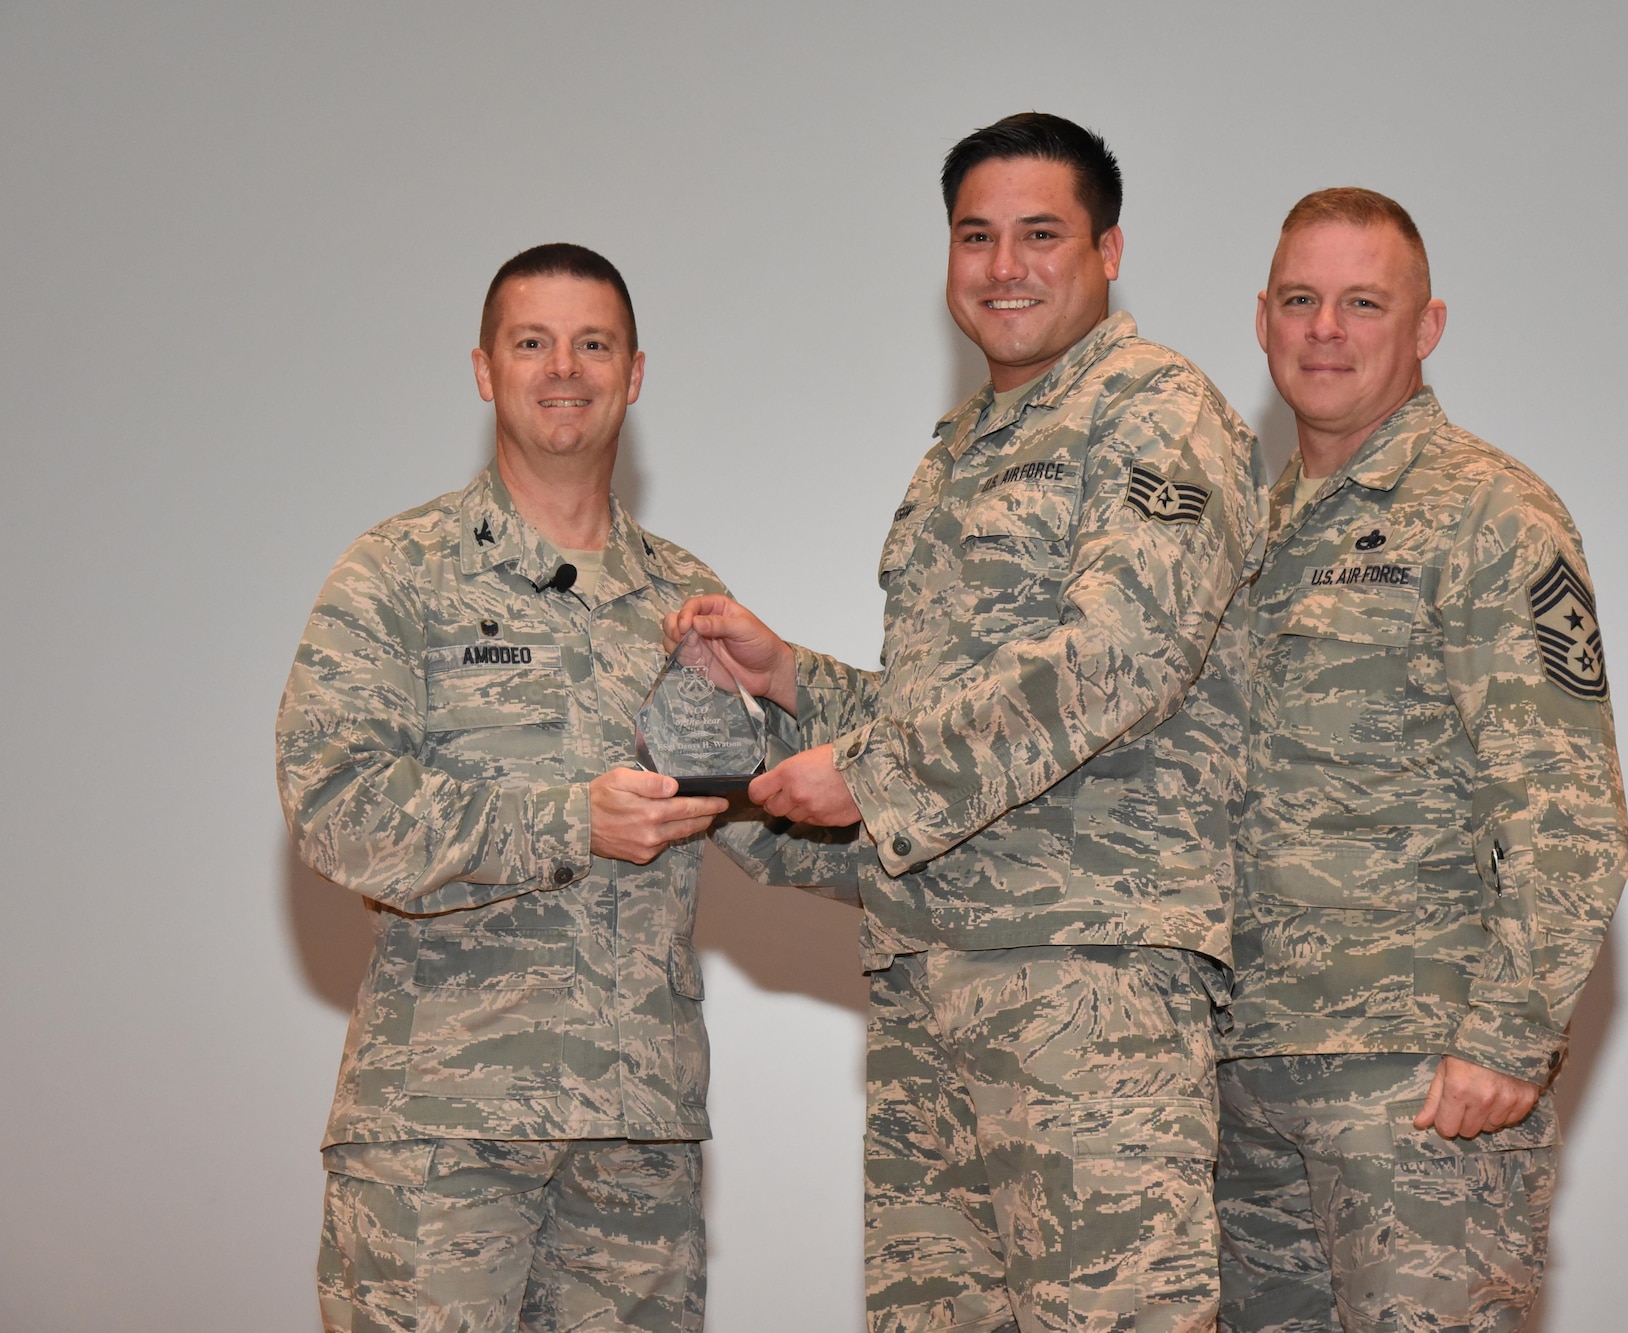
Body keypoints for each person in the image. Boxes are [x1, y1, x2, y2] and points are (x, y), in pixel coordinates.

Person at [674, 113, 1267, 1333]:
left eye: (1039, 234)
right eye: (974, 236)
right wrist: (793, 679)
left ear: (1107, 251)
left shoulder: (1153, 408)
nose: (1003, 266)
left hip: (1086, 979)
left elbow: (1119, 653)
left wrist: (873, 768)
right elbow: (938, 711)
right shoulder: (959, 451)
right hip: (926, 980)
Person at [278, 244, 745, 1332]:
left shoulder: (686, 598)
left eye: (594, 344)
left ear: (634, 374)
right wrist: (569, 821)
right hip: (442, 1133)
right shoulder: (397, 573)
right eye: (532, 343)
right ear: (485, 370)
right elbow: (336, 803)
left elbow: (755, 814)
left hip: (635, 1142)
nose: (563, 368)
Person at [1216, 188, 1628, 1332]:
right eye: (1298, 301)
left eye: (1362, 303)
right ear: (1260, 319)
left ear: (1425, 326)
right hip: (1244, 1087)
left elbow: (1567, 809)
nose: (1324, 330)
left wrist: (1505, 1040)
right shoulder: (1241, 536)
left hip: (1418, 1088)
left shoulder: (1490, 513)